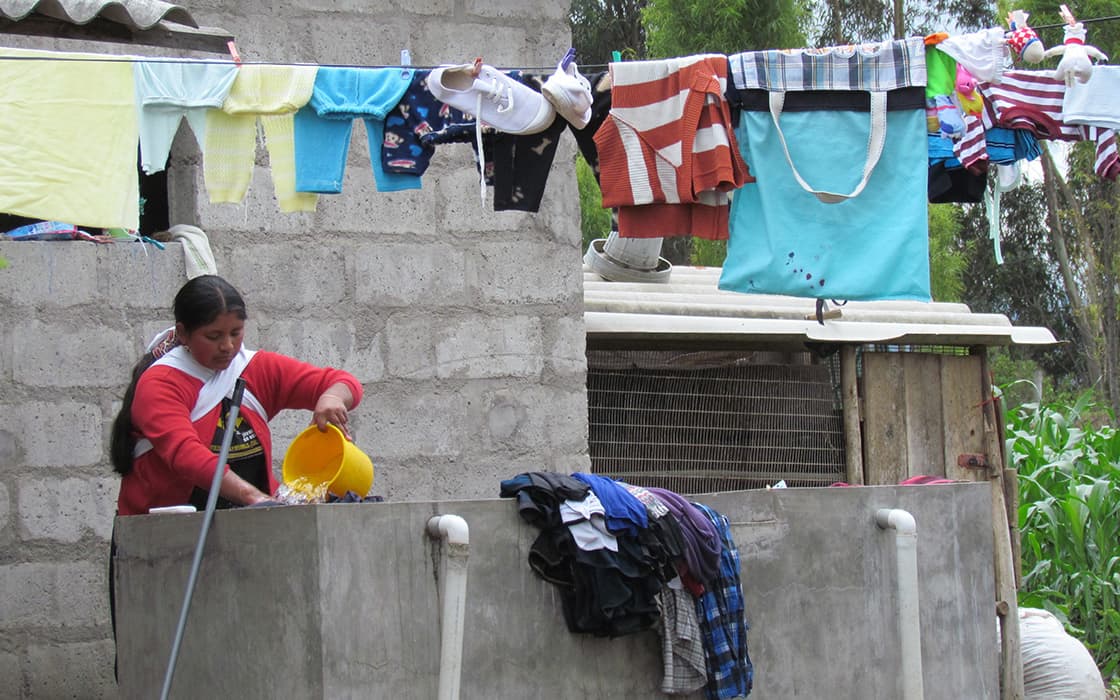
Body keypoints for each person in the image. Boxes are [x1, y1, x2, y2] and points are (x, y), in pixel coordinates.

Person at [109, 274, 364, 514]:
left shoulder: (254, 369)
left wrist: (332, 397)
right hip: (169, 530)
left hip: (252, 526)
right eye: (213, 336)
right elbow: (186, 455)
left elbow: (341, 382)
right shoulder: (161, 383)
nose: (228, 346)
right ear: (184, 333)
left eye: (236, 333)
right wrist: (252, 497)